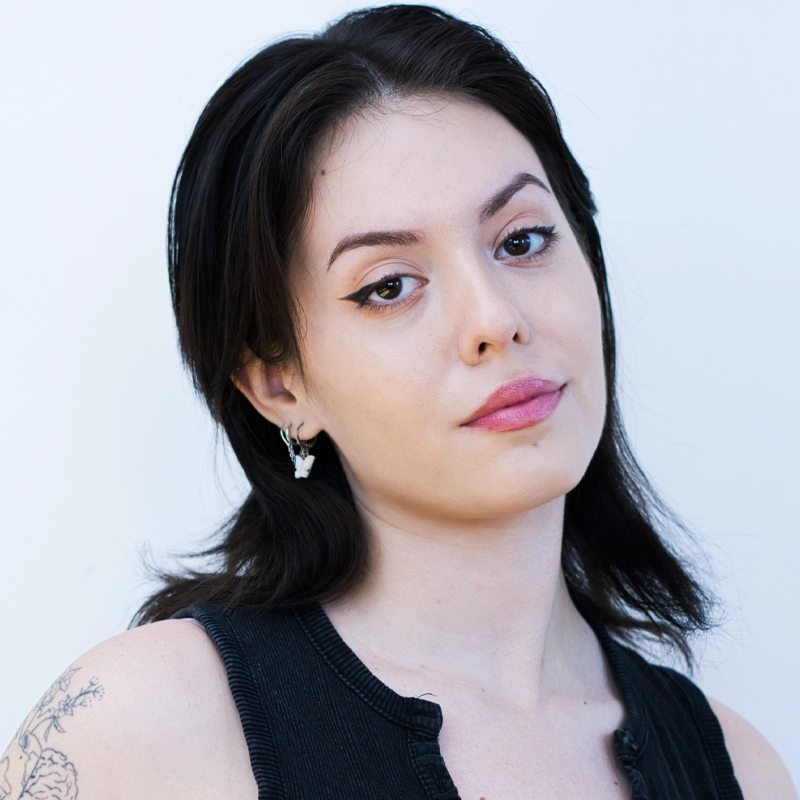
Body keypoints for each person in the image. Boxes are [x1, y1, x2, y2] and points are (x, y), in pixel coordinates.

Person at [1, 5, 795, 799]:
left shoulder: (740, 770)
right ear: (280, 385)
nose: (494, 319)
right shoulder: (141, 731)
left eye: (522, 241)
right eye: (388, 287)